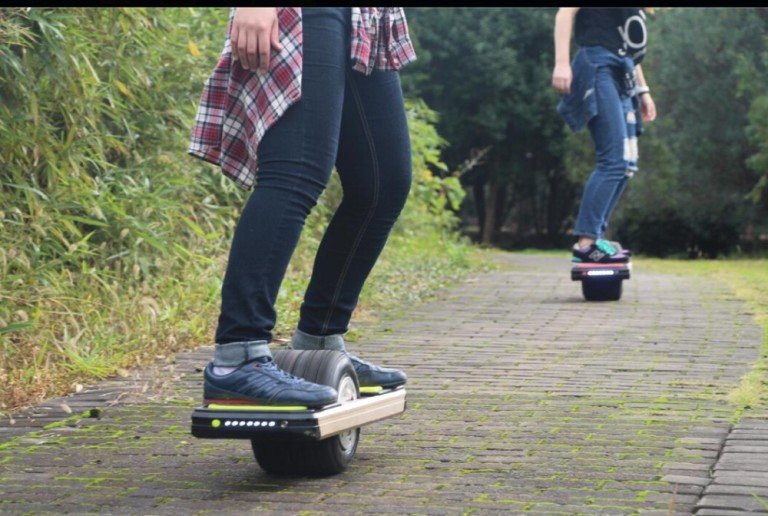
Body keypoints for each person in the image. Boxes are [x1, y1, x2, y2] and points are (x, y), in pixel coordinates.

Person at [188, 8, 416, 407]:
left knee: (383, 184)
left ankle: (320, 340)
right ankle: (237, 356)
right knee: (295, 173)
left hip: (365, 16)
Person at [552, 8, 657, 263]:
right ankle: (586, 244)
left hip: (623, 73)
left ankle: (596, 238)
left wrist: (643, 91)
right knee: (613, 160)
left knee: (626, 164)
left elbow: (630, 47)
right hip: (598, 65)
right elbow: (564, 13)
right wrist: (562, 63)